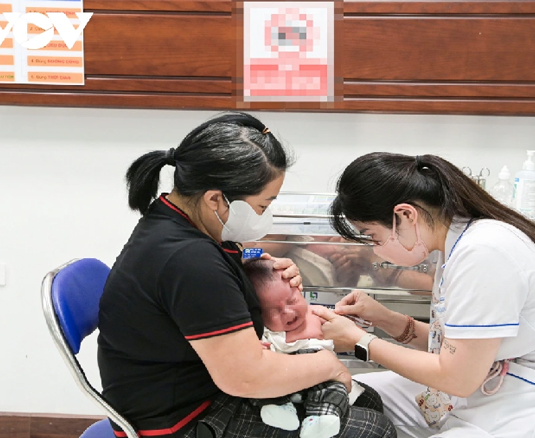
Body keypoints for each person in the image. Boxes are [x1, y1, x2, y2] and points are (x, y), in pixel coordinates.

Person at [97, 113, 396, 438]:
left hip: (201, 386)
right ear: (215, 199)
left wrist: (260, 266)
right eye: (262, 206)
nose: (265, 216)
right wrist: (329, 364)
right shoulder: (190, 261)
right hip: (185, 420)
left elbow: (227, 265)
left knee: (367, 399)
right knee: (373, 430)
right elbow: (246, 377)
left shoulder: (174, 221)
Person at [311, 152, 535, 438]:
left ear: (405, 215)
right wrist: (386, 320)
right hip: (497, 379)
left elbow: (457, 377)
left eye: (372, 236)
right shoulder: (461, 241)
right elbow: (460, 346)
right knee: (348, 391)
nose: (376, 249)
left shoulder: (484, 252)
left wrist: (361, 342)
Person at [243, 258, 371, 438]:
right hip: (282, 379)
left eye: (292, 300)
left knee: (335, 388)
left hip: (321, 376)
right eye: (273, 311)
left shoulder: (316, 313)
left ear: (300, 289)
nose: (288, 312)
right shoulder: (262, 329)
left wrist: (356, 325)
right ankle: (277, 408)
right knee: (263, 384)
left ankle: (323, 418)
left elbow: (354, 334)